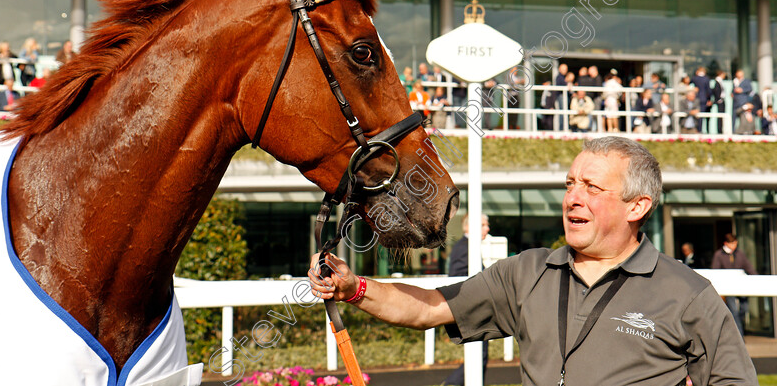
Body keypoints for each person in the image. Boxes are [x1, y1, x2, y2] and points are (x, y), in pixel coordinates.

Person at [309, 137, 757, 386]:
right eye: (570, 184)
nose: (572, 198)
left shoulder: (688, 294)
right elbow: (429, 306)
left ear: (637, 206)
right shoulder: (526, 272)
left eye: (591, 188)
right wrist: (355, 289)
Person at [443, 213, 490, 386]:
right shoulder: (465, 248)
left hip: (472, 310)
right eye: (483, 224)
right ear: (470, 227)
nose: (487, 228)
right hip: (469, 311)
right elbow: (457, 279)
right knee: (478, 356)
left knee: (479, 355)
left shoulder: (467, 247)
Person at [711, 233, 757, 337]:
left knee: (744, 309)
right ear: (726, 243)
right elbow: (715, 271)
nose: (734, 246)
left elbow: (749, 267)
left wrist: (756, 278)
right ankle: (739, 336)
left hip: (741, 286)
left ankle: (737, 331)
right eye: (732, 244)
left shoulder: (739, 254)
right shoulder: (719, 255)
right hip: (728, 288)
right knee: (734, 312)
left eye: (735, 244)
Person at [691, 67, 712, 133]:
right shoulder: (706, 79)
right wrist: (709, 99)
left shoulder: (694, 78)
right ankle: (701, 130)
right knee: (702, 115)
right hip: (704, 99)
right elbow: (708, 90)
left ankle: (697, 129)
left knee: (696, 114)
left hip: (695, 98)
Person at [712, 70, 729, 134]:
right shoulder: (717, 82)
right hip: (720, 101)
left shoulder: (720, 81)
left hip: (721, 100)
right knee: (720, 116)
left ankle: (721, 129)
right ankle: (719, 130)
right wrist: (719, 99)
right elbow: (716, 91)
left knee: (722, 116)